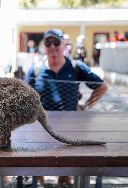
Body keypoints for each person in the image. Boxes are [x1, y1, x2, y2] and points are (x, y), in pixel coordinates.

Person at [27, 29, 108, 185]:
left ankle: (64, 181)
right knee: (39, 166)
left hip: (70, 125)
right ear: (44, 46)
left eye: (56, 42)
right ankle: (41, 182)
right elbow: (25, 96)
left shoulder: (76, 67)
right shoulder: (35, 70)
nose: (52, 46)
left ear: (64, 44)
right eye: (48, 43)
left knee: (66, 168)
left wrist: (84, 107)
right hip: (42, 126)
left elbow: (102, 86)